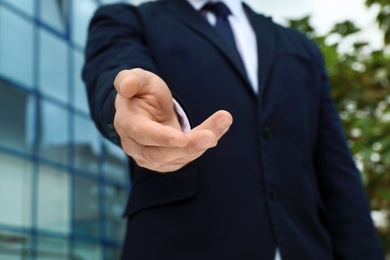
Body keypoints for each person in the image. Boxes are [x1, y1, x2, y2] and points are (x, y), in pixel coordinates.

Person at [82, 0, 384, 259]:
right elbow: (116, 68)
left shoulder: (300, 48)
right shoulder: (127, 20)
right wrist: (129, 106)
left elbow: (338, 175)